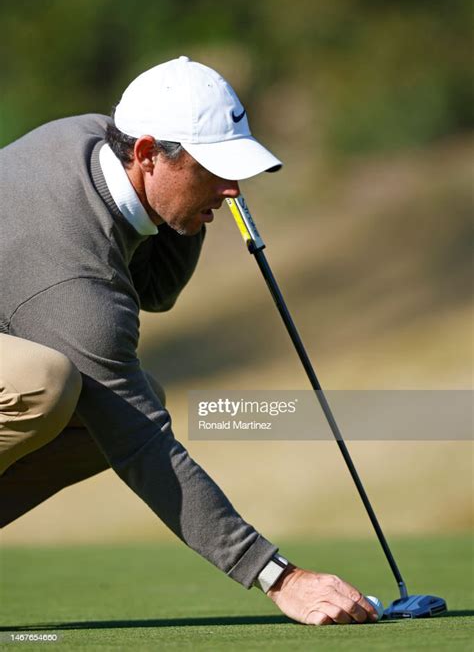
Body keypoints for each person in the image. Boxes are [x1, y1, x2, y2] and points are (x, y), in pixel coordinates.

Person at [0, 56, 378, 625]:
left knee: (100, 405)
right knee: (45, 385)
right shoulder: (74, 283)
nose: (233, 190)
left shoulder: (91, 143)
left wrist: (195, 207)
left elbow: (154, 288)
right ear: (148, 152)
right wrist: (278, 576)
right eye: (215, 169)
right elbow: (144, 448)